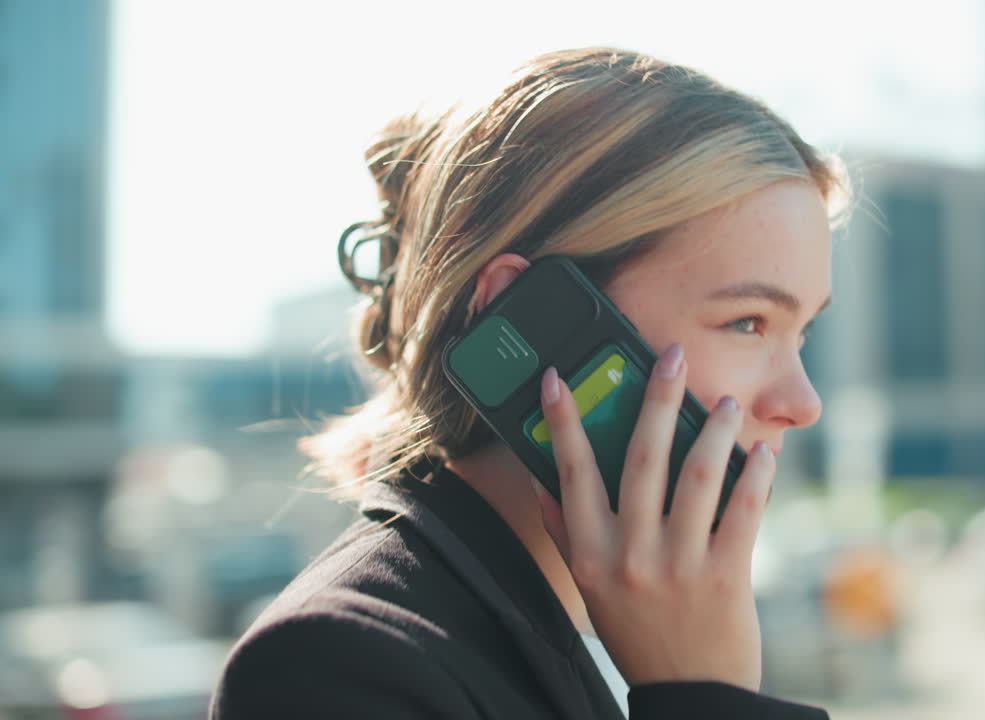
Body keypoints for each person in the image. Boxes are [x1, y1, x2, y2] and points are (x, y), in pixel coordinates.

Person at [211, 47, 848, 719]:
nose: (802, 405)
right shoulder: (335, 669)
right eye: (748, 323)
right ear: (527, 324)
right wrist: (706, 701)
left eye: (800, 333)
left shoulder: (587, 643)